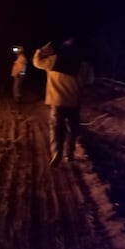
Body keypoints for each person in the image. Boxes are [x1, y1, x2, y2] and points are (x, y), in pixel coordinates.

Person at [33, 37, 92, 167]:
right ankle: (69, 154)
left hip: (57, 102)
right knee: (72, 129)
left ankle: (56, 153)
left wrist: (41, 50)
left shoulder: (54, 61)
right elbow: (90, 80)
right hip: (74, 102)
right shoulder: (83, 65)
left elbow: (36, 62)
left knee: (56, 129)